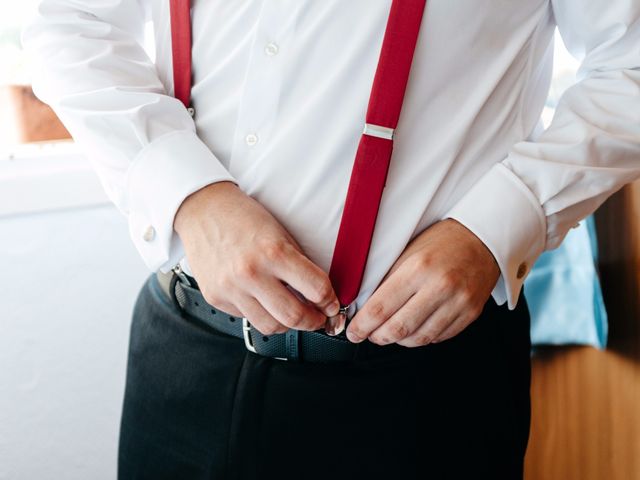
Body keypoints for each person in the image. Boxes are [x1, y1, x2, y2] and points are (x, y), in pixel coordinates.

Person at [23, 1, 640, 479]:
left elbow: (629, 64)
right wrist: (190, 195)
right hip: (181, 357)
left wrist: (502, 221)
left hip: (417, 390)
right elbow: (69, 20)